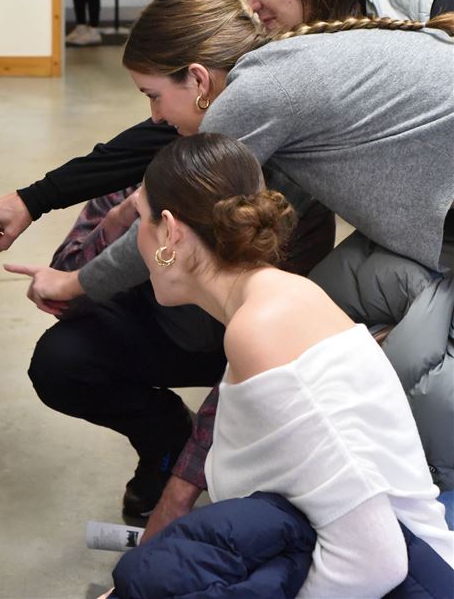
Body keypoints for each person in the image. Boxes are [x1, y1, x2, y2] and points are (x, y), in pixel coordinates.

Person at [0, 0, 454, 520]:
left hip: (426, 237)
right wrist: (39, 200)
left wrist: (77, 283)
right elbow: (154, 141)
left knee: (411, 390)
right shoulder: (329, 32)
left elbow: (235, 316)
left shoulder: (280, 79)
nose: (252, 5)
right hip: (403, 240)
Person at [105, 133, 453, 597]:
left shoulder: (261, 329)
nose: (138, 240)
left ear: (170, 231)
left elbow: (376, 559)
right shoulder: (273, 300)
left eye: (139, 221)